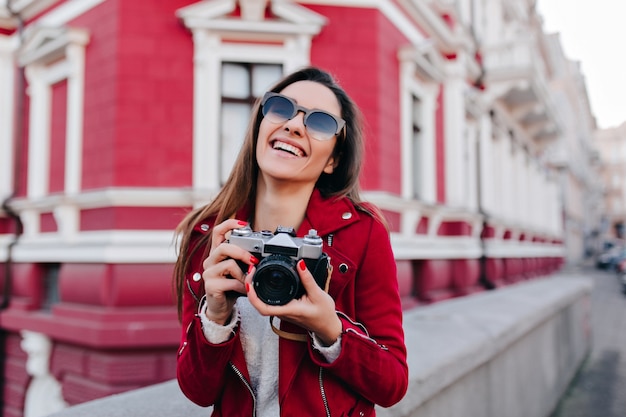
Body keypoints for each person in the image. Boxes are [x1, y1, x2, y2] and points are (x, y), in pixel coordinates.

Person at [173, 66, 408, 417]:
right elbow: (198, 391)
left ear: (333, 160)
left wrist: (330, 329)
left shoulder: (362, 233)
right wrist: (216, 317)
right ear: (260, 126)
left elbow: (393, 383)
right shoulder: (209, 234)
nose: (294, 124)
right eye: (281, 107)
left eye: (320, 123)